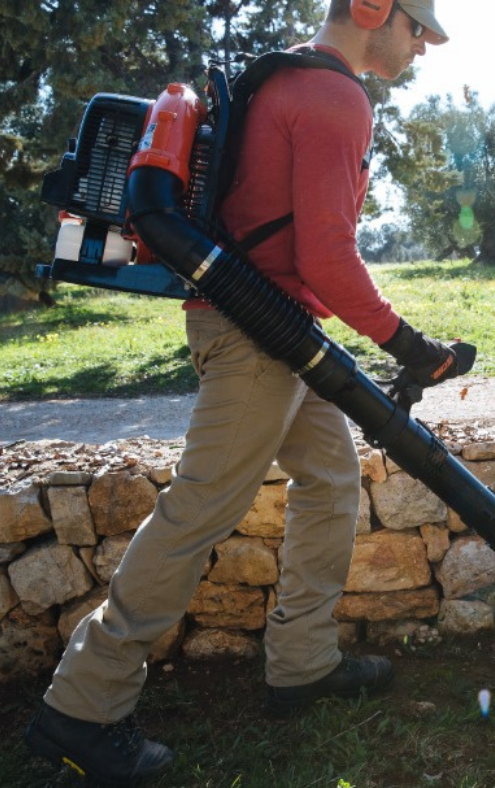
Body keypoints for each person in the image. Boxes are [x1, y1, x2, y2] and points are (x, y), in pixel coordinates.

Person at [25, 1, 455, 784]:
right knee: (200, 510)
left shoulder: (286, 75)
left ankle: (302, 663)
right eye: (417, 28)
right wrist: (408, 344)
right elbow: (327, 255)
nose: (422, 48)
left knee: (329, 480)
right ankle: (80, 708)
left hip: (282, 330)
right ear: (370, 10)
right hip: (257, 334)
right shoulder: (335, 97)